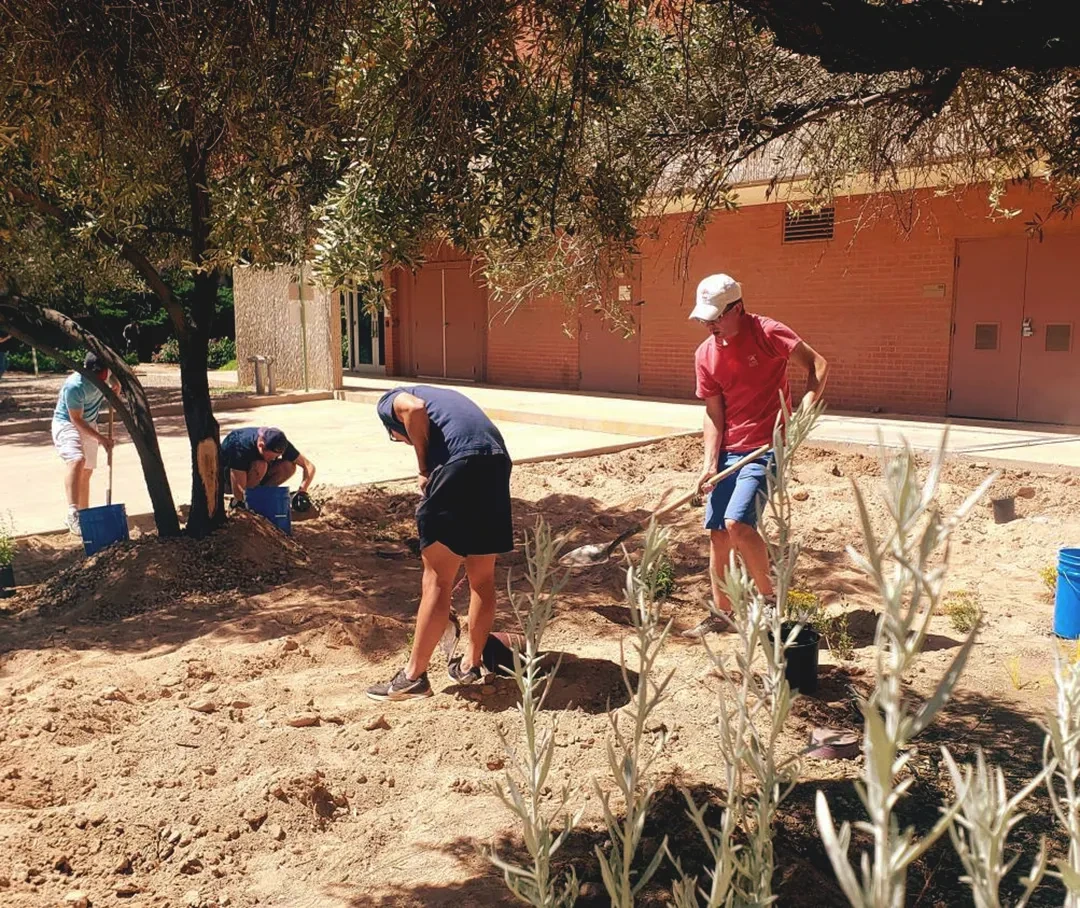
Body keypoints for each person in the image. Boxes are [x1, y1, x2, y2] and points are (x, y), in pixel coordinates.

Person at [683, 273, 829, 638]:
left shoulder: (767, 332)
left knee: (738, 525)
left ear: (739, 308)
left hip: (766, 447)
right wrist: (709, 463)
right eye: (705, 318)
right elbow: (714, 412)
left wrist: (803, 413)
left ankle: (767, 603)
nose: (709, 324)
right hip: (729, 452)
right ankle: (723, 613)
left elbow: (818, 366)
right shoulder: (705, 354)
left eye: (716, 316)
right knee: (717, 533)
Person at [367, 385, 513, 701]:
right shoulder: (443, 400)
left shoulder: (388, 401)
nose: (402, 441)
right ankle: (471, 666)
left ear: (394, 428)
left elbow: (414, 410)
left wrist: (423, 467)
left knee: (437, 581)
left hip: (461, 464)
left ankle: (413, 678)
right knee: (483, 579)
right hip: (497, 460)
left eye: (398, 438)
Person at [51, 352, 121, 535]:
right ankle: (72, 513)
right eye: (94, 373)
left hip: (89, 423)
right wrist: (102, 439)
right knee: (77, 460)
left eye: (102, 373)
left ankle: (85, 516)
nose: (98, 377)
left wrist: (115, 383)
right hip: (67, 423)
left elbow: (112, 375)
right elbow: (76, 420)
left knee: (87, 470)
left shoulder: (105, 374)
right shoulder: (74, 386)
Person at [220, 427, 315, 507]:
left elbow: (309, 466)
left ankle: (260, 496)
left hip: (252, 476)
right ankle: (244, 502)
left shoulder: (278, 441)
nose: (275, 459)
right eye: (273, 457)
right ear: (261, 446)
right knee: (261, 465)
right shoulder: (240, 447)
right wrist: (240, 500)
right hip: (226, 481)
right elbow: (238, 487)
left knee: (288, 466)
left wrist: (302, 491)